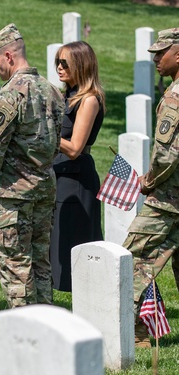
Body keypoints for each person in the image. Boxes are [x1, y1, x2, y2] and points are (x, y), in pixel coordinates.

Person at [0, 23, 64, 308]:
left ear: (8, 56)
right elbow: (55, 144)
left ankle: (27, 331)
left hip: (13, 195)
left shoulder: (9, 95)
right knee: (40, 263)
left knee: (15, 264)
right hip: (44, 188)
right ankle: (48, 324)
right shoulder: (52, 91)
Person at [123, 28, 179, 348]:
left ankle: (135, 333)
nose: (155, 58)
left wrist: (148, 181)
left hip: (167, 201)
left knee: (132, 260)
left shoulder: (174, 96)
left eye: (162, 52)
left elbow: (167, 155)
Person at [49, 41, 106, 292]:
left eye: (65, 63)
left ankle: (89, 307)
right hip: (59, 176)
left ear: (81, 65)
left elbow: (74, 148)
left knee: (77, 248)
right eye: (57, 62)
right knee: (56, 248)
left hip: (76, 181)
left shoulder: (89, 99)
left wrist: (44, 133)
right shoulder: (67, 94)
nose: (59, 68)